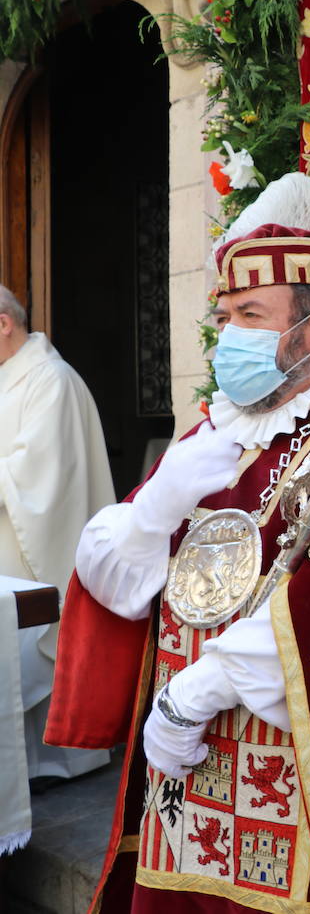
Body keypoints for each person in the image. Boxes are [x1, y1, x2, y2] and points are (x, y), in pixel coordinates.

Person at [44, 174, 310, 914]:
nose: (229, 337)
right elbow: (109, 578)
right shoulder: (209, 440)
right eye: (225, 317)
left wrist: (195, 694)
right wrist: (159, 506)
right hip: (189, 801)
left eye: (250, 315)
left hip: (307, 802)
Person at [0, 284, 114, 786]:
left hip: (32, 550)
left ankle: (49, 764)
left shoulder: (52, 380)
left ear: (4, 323)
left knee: (30, 647)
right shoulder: (11, 380)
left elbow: (39, 477)